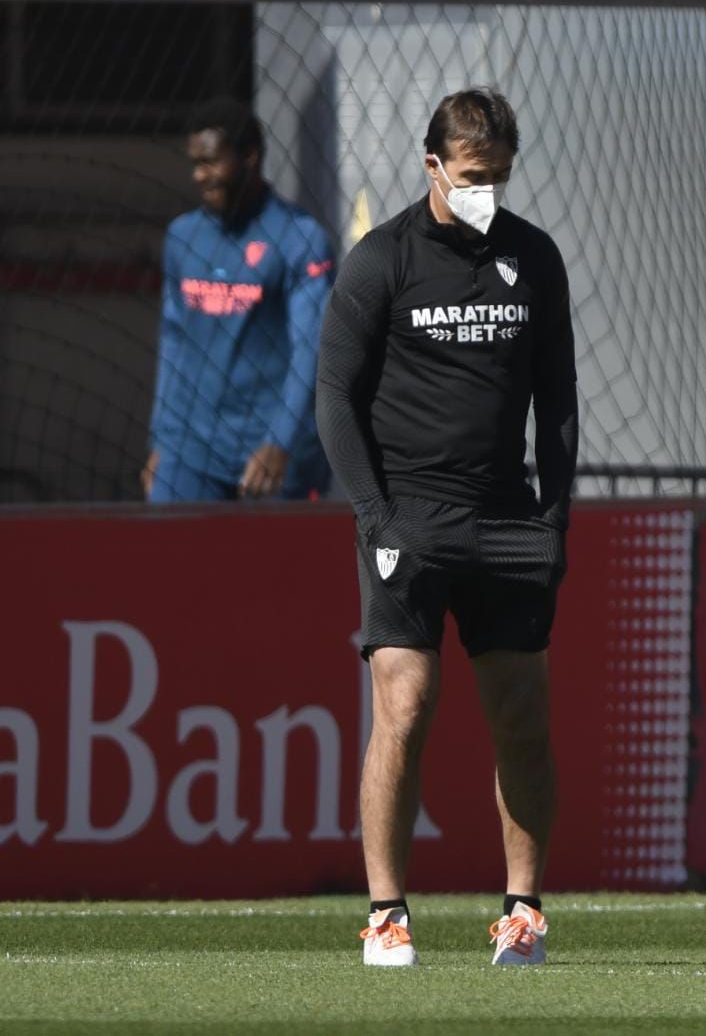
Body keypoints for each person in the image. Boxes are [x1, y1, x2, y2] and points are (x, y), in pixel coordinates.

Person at [316, 87, 578, 967]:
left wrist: (556, 516)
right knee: (406, 703)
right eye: (471, 176)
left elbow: (559, 400)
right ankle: (386, 912)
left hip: (507, 514)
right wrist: (376, 518)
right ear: (433, 166)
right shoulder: (380, 261)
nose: (485, 192)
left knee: (522, 716)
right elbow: (335, 399)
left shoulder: (534, 258)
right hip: (408, 516)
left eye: (498, 176)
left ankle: (523, 911)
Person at [146, 98, 334, 501]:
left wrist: (280, 442)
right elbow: (173, 341)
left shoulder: (300, 238)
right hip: (190, 450)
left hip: (270, 450)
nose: (199, 175)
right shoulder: (183, 237)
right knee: (165, 539)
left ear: (250, 157)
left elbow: (311, 351)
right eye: (194, 164)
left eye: (210, 162)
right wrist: (161, 439)